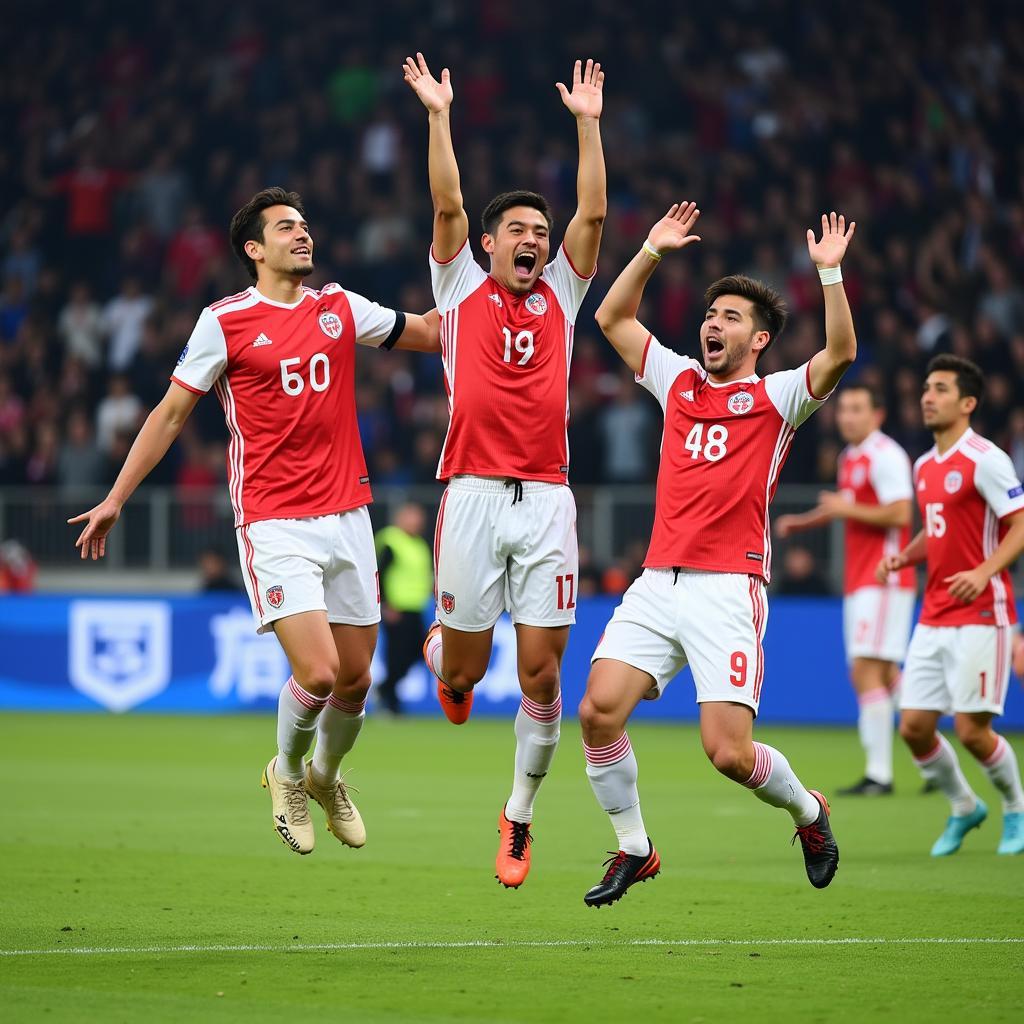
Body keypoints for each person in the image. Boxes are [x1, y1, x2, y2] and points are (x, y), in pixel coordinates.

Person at [68, 187, 439, 856]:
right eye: (286, 227)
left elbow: (432, 332)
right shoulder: (226, 321)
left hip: (349, 513)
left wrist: (496, 283)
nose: (303, 235)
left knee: (356, 678)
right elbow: (171, 413)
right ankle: (288, 772)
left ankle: (326, 776)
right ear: (253, 248)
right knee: (321, 674)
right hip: (274, 522)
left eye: (304, 224)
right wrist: (118, 495)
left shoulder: (338, 306)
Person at [579, 203, 857, 907]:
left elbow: (841, 355)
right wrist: (649, 250)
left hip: (728, 587)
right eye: (712, 313)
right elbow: (611, 320)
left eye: (732, 317)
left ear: (760, 338)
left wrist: (830, 275)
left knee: (728, 753)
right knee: (597, 713)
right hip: (657, 581)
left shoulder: (776, 398)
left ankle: (808, 813)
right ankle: (634, 848)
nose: (715, 323)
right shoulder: (677, 382)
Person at [403, 53, 606, 888]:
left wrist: (588, 123)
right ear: (486, 244)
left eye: (539, 231)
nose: (533, 240)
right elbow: (447, 200)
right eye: (516, 231)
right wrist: (439, 115)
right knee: (463, 675)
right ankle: (445, 652)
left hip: (548, 500)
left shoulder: (562, 293)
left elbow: (593, 212)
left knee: (542, 674)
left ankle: (517, 816)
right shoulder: (455, 288)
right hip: (474, 498)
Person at [877, 355, 1024, 857]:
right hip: (934, 612)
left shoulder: (986, 458)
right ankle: (964, 805)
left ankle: (1014, 809)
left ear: (968, 403)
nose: (927, 396)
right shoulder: (924, 465)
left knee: (971, 730)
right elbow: (935, 529)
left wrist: (984, 571)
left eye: (939, 389)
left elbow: (1019, 525)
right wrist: (903, 558)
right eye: (925, 388)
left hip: (983, 611)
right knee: (914, 726)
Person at [777, 385, 914, 795]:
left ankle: (879, 774)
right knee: (887, 674)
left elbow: (901, 513)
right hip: (862, 579)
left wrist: (842, 509)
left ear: (878, 415)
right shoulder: (850, 457)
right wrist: (803, 522)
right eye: (843, 410)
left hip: (883, 577)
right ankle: (931, 755)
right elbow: (846, 507)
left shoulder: (885, 455)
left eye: (857, 409)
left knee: (865, 672)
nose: (847, 417)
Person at [374, 502, 433, 714]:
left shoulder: (419, 544)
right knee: (396, 656)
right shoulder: (391, 540)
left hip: (416, 608)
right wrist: (386, 604)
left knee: (420, 653)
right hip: (396, 609)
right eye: (413, 517)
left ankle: (385, 689)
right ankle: (391, 702)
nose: (418, 522)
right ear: (401, 518)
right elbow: (380, 574)